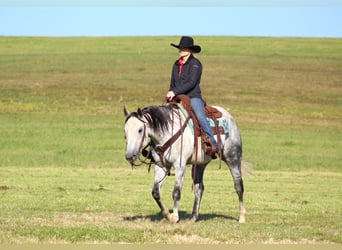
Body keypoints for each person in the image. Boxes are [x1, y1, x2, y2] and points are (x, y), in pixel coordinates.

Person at [166, 36, 220, 157]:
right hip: (177, 96)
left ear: (190, 50)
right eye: (180, 48)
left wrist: (174, 91)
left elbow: (192, 82)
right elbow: (172, 82)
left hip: (192, 96)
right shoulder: (176, 64)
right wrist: (171, 92)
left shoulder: (195, 64)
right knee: (162, 116)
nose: (181, 50)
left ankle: (214, 145)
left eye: (184, 48)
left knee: (200, 117)